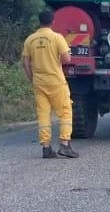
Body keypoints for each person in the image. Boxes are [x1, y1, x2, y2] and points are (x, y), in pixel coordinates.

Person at [22, 10, 79, 159]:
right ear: (53, 22)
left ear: (39, 21)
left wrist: (32, 78)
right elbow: (67, 59)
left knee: (43, 114)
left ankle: (46, 147)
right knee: (65, 112)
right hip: (56, 81)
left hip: (39, 83)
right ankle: (65, 145)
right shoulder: (57, 38)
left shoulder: (30, 40)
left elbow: (25, 63)